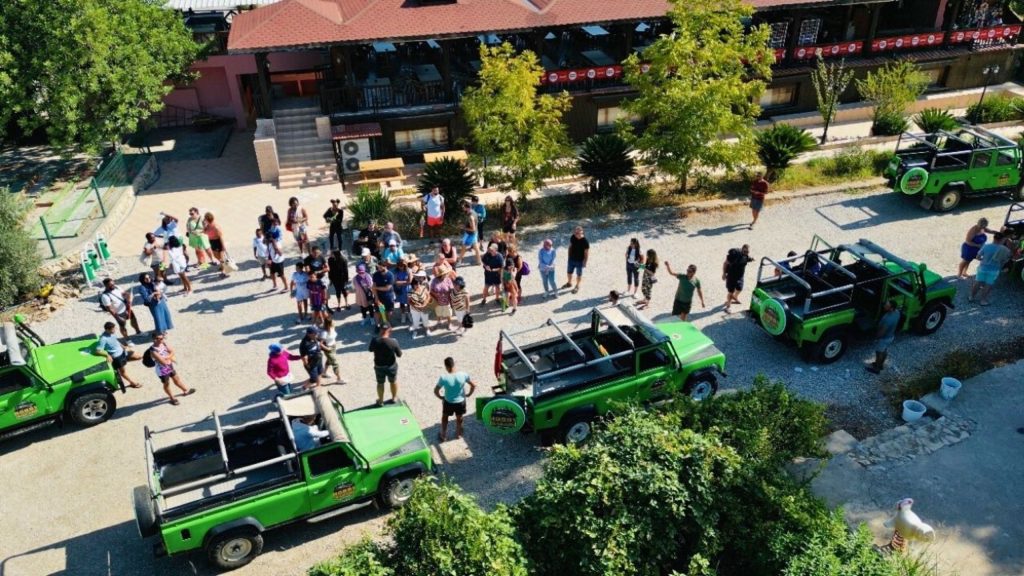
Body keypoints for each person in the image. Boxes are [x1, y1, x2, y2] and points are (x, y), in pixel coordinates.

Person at [433, 357, 477, 442]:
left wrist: (441, 397)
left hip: (448, 402)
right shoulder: (463, 375)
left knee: (445, 417)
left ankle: (443, 435)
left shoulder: (444, 377)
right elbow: (473, 385)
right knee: (459, 417)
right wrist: (469, 394)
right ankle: (458, 434)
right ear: (454, 364)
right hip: (460, 402)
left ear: (446, 366)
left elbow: (435, 390)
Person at [93, 321, 143, 389]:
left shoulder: (112, 333)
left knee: (139, 356)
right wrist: (107, 355)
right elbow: (97, 351)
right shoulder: (103, 339)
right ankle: (132, 383)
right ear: (107, 329)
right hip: (117, 357)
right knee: (123, 371)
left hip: (123, 352)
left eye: (114, 328)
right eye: (112, 329)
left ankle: (121, 363)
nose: (114, 330)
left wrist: (123, 346)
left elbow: (116, 340)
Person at [148, 332, 194, 405]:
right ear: (154, 339)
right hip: (162, 370)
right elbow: (163, 362)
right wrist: (169, 357)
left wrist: (166, 357)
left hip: (169, 366)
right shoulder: (153, 350)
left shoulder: (164, 344)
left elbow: (172, 351)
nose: (160, 340)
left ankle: (185, 390)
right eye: (158, 339)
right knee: (167, 384)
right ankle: (172, 398)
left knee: (176, 379)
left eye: (162, 338)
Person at [971, 231, 1012, 306]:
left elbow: (978, 257)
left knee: (977, 283)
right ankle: (983, 300)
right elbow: (1006, 259)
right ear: (1002, 240)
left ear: (994, 238)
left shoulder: (986, 246)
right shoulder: (1004, 249)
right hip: (994, 270)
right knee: (988, 285)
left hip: (983, 268)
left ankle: (971, 297)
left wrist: (983, 260)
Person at [368, 325, 402, 405]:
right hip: (391, 366)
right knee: (393, 382)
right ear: (390, 330)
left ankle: (380, 400)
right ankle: (394, 398)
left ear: (380, 330)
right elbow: (399, 355)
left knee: (380, 383)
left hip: (379, 366)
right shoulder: (393, 341)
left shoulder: (374, 341)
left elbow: (370, 349)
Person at [865, 300, 901, 374]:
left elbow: (882, 332)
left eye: (886, 306)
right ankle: (880, 364)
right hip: (890, 336)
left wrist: (876, 338)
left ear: (891, 308)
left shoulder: (888, 319)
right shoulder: (897, 312)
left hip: (884, 339)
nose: (884, 306)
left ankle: (876, 369)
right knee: (884, 351)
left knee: (879, 353)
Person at [723, 245, 753, 314]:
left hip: (740, 276)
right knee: (731, 292)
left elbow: (747, 259)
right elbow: (725, 263)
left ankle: (735, 298)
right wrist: (724, 274)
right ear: (742, 249)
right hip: (731, 276)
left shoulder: (746, 256)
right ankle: (728, 306)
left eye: (747, 252)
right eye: (745, 251)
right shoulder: (734, 255)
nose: (746, 253)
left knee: (739, 288)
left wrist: (752, 259)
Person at [563, 226, 589, 294]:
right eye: (575, 232)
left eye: (578, 232)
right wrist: (569, 256)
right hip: (571, 259)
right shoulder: (573, 237)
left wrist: (585, 262)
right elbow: (570, 246)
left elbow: (586, 252)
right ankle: (569, 283)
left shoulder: (585, 241)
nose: (576, 234)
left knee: (579, 274)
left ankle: (577, 286)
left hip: (579, 261)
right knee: (569, 272)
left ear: (582, 232)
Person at [319, 316, 344, 384]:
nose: (334, 322)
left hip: (333, 346)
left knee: (329, 360)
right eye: (333, 321)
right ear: (329, 323)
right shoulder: (324, 333)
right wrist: (327, 349)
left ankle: (324, 372)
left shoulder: (332, 328)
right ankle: (339, 378)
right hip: (328, 348)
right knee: (335, 363)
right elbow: (320, 344)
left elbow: (333, 336)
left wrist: (334, 343)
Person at [408, 271, 432, 338]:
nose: (417, 286)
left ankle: (427, 329)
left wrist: (424, 304)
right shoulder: (410, 291)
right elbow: (409, 301)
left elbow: (428, 296)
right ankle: (415, 331)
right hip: (415, 309)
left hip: (424, 307)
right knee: (416, 321)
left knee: (425, 319)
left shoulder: (423, 288)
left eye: (418, 284)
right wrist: (415, 306)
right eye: (416, 284)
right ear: (413, 285)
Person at [203, 212, 228, 277]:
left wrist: (223, 246)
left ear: (208, 219)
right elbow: (204, 232)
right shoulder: (207, 226)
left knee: (221, 257)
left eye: (205, 218)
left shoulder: (216, 227)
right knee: (216, 255)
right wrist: (204, 226)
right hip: (211, 241)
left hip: (218, 241)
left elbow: (221, 237)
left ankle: (224, 271)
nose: (204, 219)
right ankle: (223, 265)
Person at [372, 261, 396, 325]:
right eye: (378, 267)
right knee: (378, 311)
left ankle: (388, 322)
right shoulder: (375, 274)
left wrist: (376, 288)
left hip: (388, 297)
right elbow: (373, 286)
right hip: (379, 296)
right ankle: (378, 325)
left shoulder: (390, 275)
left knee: (389, 311)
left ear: (385, 267)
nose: (378, 269)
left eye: (380, 267)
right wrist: (376, 298)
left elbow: (387, 288)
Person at [458, 201, 481, 266]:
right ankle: (479, 261)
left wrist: (463, 227)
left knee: (464, 247)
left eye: (463, 207)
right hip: (475, 233)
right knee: (476, 248)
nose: (463, 208)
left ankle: (459, 261)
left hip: (471, 234)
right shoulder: (474, 212)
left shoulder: (471, 217)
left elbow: (472, 228)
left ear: (467, 208)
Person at [393, 259, 412, 324]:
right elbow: (395, 282)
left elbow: (410, 281)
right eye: (399, 266)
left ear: (405, 265)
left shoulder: (409, 270)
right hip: (400, 290)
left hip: (408, 289)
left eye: (402, 266)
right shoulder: (396, 271)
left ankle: (409, 314)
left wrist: (400, 282)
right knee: (401, 303)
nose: (401, 267)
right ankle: (403, 314)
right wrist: (405, 282)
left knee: (409, 303)